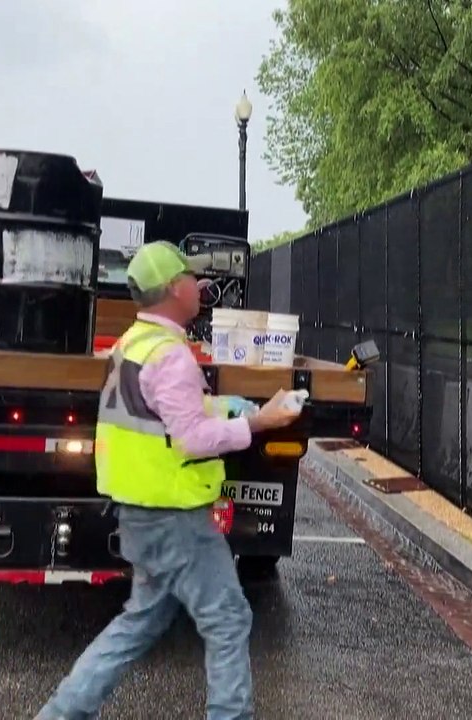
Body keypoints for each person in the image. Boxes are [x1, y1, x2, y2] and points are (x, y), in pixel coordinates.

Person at [37, 241, 301, 720]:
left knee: (140, 621)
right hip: (175, 513)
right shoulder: (172, 356)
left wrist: (233, 407)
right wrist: (258, 424)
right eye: (191, 278)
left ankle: (62, 713)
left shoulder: (132, 346)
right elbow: (191, 438)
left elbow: (164, 415)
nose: (199, 286)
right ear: (174, 288)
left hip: (140, 508)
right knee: (228, 619)